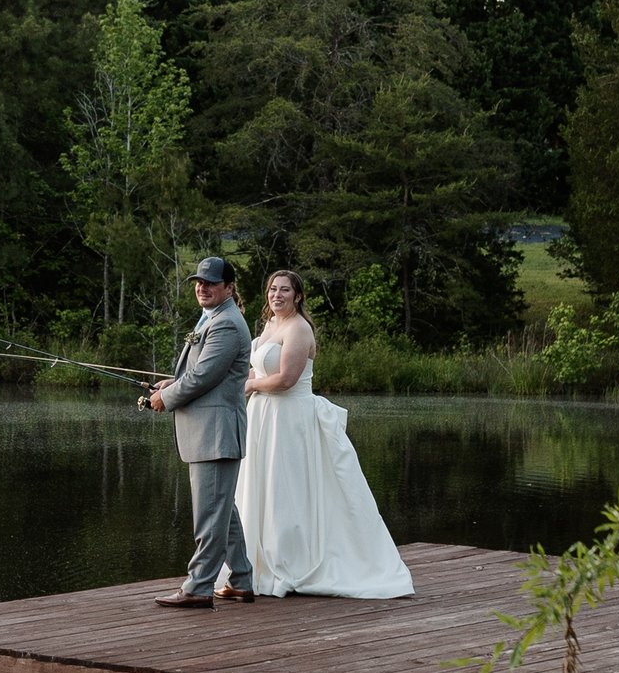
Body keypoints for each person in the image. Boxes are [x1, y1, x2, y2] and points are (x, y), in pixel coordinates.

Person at [237, 269, 414, 598]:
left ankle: (289, 562)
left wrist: (248, 385)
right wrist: (236, 381)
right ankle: (258, 562)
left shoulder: (300, 328)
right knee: (263, 486)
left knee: (286, 489)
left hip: (290, 419)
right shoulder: (271, 325)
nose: (277, 295)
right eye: (272, 289)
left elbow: (286, 379)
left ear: (298, 296)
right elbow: (259, 368)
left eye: (284, 290)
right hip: (263, 416)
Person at [141, 254, 254, 609]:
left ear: (230, 288)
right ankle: (241, 579)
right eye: (199, 282)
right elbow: (204, 373)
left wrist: (166, 398)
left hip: (215, 434)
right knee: (222, 511)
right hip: (209, 432)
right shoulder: (214, 317)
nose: (202, 288)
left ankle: (199, 587)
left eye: (211, 283)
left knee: (209, 513)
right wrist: (172, 383)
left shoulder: (226, 324)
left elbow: (205, 376)